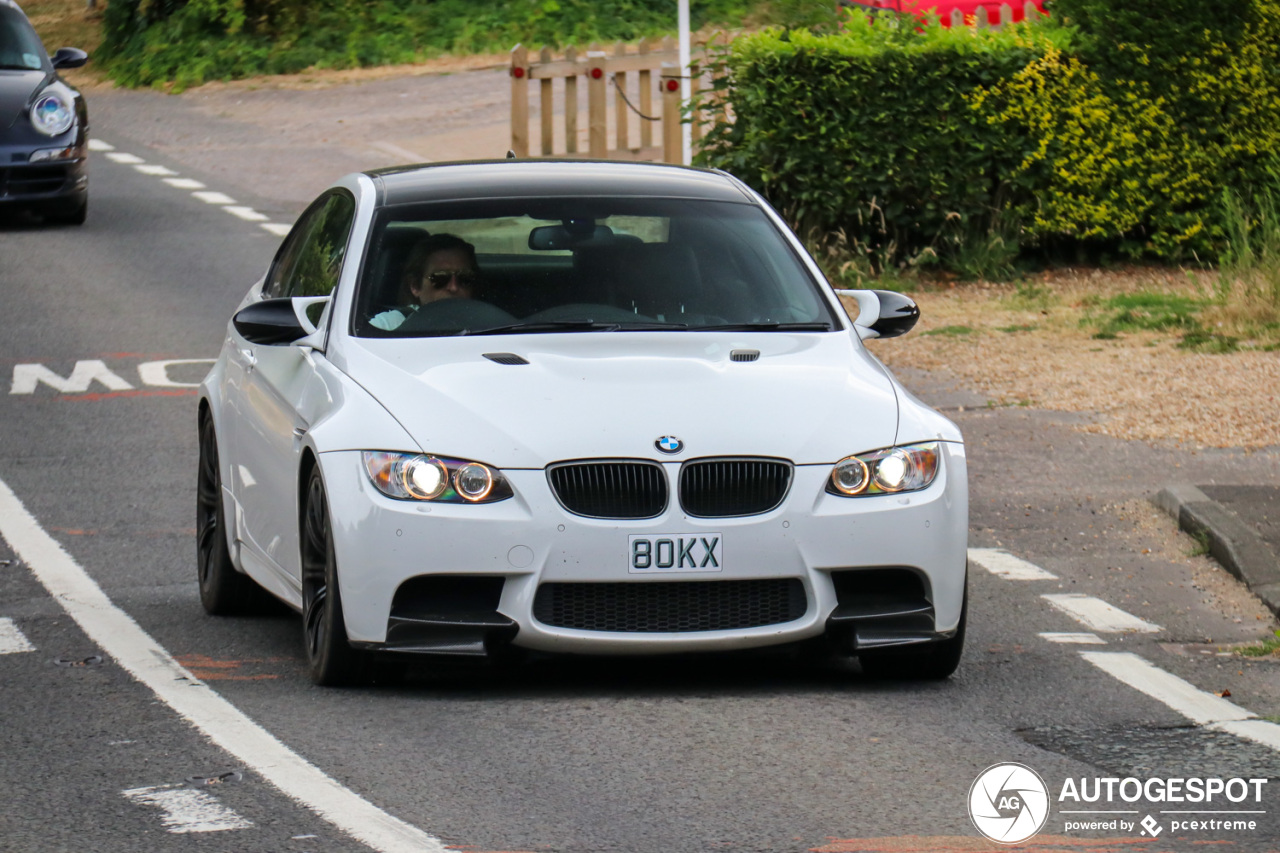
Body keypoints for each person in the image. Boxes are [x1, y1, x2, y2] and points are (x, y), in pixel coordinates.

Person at [370, 233, 479, 330]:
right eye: (440, 278)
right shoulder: (389, 325)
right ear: (415, 286)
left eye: (465, 278)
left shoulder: (490, 324)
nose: (454, 287)